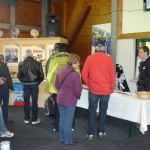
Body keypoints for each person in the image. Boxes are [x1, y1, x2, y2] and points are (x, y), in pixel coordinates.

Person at [82, 43, 116, 140]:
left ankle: (90, 134)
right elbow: (112, 75)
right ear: (104, 49)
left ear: (95, 49)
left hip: (93, 90)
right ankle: (101, 131)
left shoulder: (90, 58)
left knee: (92, 111)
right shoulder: (109, 59)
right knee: (103, 111)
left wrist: (89, 84)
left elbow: (84, 74)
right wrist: (111, 88)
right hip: (106, 90)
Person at [45, 43, 80, 133]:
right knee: (71, 109)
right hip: (70, 90)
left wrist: (49, 88)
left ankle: (57, 128)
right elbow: (78, 75)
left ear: (58, 50)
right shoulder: (73, 59)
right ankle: (71, 126)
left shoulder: (54, 59)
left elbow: (49, 75)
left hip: (56, 89)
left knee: (58, 109)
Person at [55, 54, 82, 145]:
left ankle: (62, 138)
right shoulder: (75, 74)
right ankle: (68, 140)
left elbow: (57, 85)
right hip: (69, 101)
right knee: (68, 121)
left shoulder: (60, 70)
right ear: (73, 63)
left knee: (62, 119)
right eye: (78, 63)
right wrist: (77, 97)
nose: (79, 64)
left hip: (60, 99)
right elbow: (78, 90)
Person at [17, 49, 44, 124]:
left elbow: (19, 75)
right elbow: (41, 75)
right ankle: (34, 119)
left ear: (25, 55)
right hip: (35, 84)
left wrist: (23, 81)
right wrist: (37, 82)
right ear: (32, 55)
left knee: (26, 102)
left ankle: (26, 118)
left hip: (26, 85)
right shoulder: (37, 63)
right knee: (35, 102)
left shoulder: (21, 64)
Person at [0, 54, 14, 123]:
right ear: (2, 59)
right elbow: (8, 77)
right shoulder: (4, 66)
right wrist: (11, 87)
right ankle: (5, 119)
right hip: (4, 88)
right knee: (5, 104)